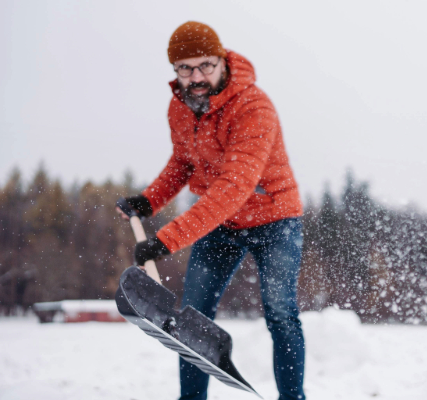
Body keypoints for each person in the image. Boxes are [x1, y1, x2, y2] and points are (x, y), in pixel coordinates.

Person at [116, 21, 305, 400]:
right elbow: (184, 162)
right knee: (191, 320)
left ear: (222, 61)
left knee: (280, 311)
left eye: (205, 65)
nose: (196, 76)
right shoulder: (180, 106)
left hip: (274, 219)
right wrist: (149, 200)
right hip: (221, 225)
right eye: (185, 68)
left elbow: (233, 188)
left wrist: (167, 240)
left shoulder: (254, 107)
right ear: (175, 71)